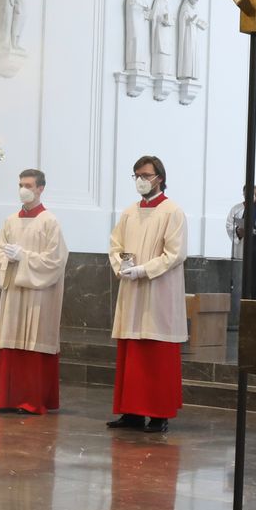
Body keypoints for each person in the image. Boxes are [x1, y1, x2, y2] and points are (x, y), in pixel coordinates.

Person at [107, 155, 187, 434]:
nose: (141, 180)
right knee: (132, 351)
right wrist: (122, 266)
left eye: (146, 175)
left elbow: (175, 254)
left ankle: (158, 414)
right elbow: (115, 244)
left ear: (159, 178)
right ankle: (132, 413)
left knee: (156, 352)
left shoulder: (172, 211)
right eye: (137, 175)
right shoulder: (130, 212)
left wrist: (143, 270)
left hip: (158, 290)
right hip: (131, 288)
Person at [0, 168, 67, 415]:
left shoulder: (49, 222)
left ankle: (31, 400)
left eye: (29, 185)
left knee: (33, 340)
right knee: (12, 339)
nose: (24, 189)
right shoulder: (11, 221)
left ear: (40, 189)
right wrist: (7, 258)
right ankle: (7, 399)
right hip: (14, 291)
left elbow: (55, 260)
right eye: (21, 184)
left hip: (37, 293)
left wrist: (24, 257)